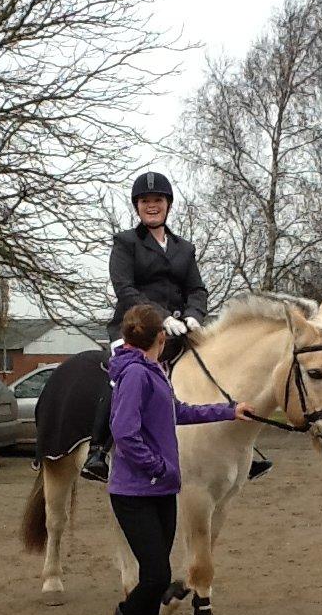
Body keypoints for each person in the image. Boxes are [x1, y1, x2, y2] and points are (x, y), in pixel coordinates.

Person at [96, 304, 253, 615]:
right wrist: (159, 467)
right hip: (136, 491)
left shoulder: (156, 372)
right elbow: (125, 432)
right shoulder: (134, 374)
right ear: (161, 339)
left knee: (159, 575)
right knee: (156, 576)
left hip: (161, 490)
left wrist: (229, 411)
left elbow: (177, 412)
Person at [81, 170, 272, 483]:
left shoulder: (184, 248)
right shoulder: (126, 243)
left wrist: (195, 313)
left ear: (167, 204)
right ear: (137, 206)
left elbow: (197, 289)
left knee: (216, 367)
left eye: (158, 200)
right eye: (145, 201)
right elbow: (125, 288)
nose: (152, 205)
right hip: (134, 327)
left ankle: (242, 450)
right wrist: (160, 316)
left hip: (179, 327)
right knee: (121, 375)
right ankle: (98, 450)